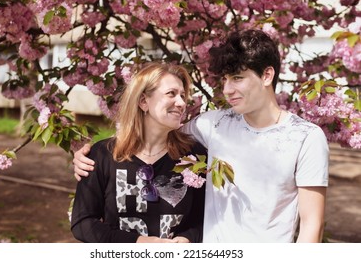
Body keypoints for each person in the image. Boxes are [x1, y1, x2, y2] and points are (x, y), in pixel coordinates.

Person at [73, 29, 329, 243]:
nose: (228, 89)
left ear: (267, 75)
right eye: (225, 79)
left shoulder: (306, 137)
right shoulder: (212, 125)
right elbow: (151, 136)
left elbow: (311, 226)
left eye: (237, 78)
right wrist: (90, 156)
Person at [70, 62, 207, 243]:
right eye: (171, 94)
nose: (182, 103)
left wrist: (188, 238)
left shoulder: (193, 155)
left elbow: (205, 217)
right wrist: (139, 242)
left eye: (183, 95)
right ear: (143, 101)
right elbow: (83, 222)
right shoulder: (102, 155)